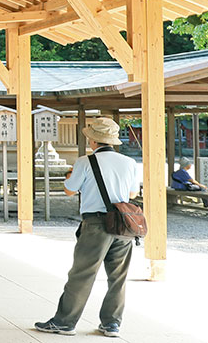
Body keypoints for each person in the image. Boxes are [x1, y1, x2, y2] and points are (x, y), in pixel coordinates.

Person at [35, 117, 142, 338]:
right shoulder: (129, 163)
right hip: (123, 225)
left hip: (96, 223)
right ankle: (111, 324)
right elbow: (132, 194)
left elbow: (69, 190)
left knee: (82, 274)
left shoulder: (86, 161)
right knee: (118, 276)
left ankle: (65, 322)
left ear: (93, 140)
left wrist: (71, 177)